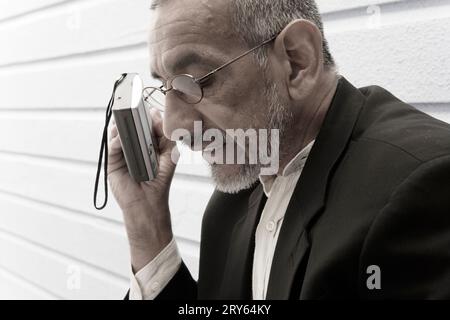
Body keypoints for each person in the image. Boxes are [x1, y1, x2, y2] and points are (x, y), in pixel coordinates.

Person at [107, 0, 450, 299]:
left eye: (196, 83)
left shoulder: (423, 187)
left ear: (297, 61)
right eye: (164, 87)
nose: (172, 126)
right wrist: (146, 224)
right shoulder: (232, 201)